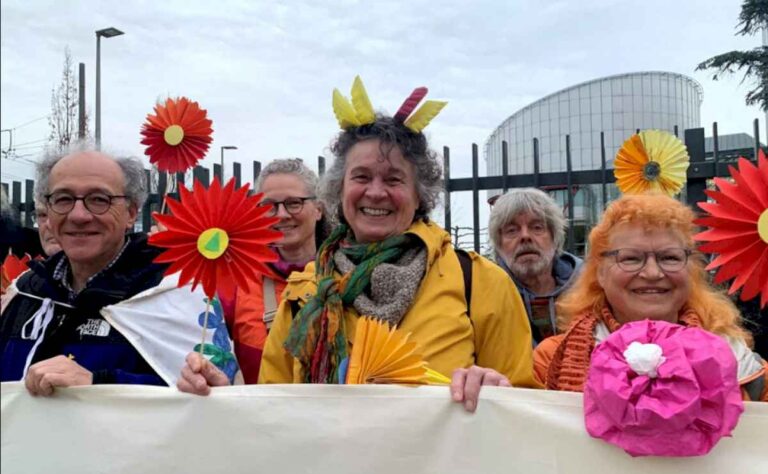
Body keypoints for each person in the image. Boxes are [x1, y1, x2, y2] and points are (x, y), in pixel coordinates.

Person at [179, 98, 538, 411]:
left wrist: (499, 392)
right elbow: (272, 414)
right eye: (361, 177)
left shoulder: (479, 282)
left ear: (420, 195)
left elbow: (526, 411)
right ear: (341, 189)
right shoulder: (304, 293)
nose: (376, 192)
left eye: (394, 179)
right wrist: (223, 401)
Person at [533, 193, 767, 401]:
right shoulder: (551, 362)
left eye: (670, 258)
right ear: (600, 273)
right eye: (631, 258)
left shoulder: (741, 363)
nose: (653, 273)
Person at [0, 143, 170, 395]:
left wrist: (98, 385)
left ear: (131, 213)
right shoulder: (25, 292)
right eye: (64, 199)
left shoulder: (168, 291)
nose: (78, 215)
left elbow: (208, 401)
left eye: (99, 200)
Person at [226, 158, 324, 383]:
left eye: (294, 203)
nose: (281, 215)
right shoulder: (238, 281)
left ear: (318, 209)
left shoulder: (345, 276)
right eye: (269, 206)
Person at [489, 188, 581, 344]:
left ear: (555, 237)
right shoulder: (486, 297)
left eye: (537, 227)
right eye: (512, 230)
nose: (525, 236)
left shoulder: (589, 288)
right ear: (498, 245)